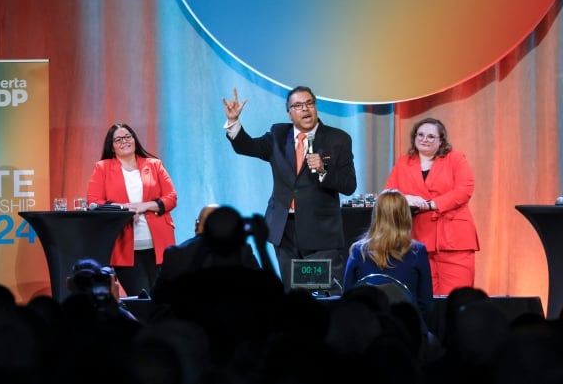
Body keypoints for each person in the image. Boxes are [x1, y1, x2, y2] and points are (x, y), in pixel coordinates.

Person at [222, 85, 357, 290]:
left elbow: (349, 185)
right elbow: (246, 146)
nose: (305, 109)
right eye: (298, 105)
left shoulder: (337, 139)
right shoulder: (278, 134)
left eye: (309, 103)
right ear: (289, 112)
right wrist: (233, 121)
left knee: (322, 293)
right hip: (284, 231)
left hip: (320, 234)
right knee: (292, 295)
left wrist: (323, 170)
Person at [384, 117, 479, 295]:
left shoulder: (456, 159)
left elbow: (464, 190)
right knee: (426, 299)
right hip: (419, 240)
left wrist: (432, 204)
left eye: (430, 136)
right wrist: (405, 198)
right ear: (414, 137)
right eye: (420, 135)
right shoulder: (404, 163)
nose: (424, 139)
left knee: (457, 298)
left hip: (454, 240)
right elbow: (388, 194)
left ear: (441, 140)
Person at [87, 122, 178, 296]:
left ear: (134, 140)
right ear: (112, 147)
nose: (124, 141)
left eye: (128, 137)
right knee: (141, 299)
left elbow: (171, 198)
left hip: (159, 246)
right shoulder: (102, 168)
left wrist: (145, 206)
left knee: (163, 299)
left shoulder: (154, 165)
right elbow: (93, 202)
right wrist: (124, 210)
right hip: (124, 248)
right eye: (118, 139)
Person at [342, 189, 433, 324]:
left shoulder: (358, 251)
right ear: (405, 216)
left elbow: (346, 299)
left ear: (376, 215)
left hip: (368, 332)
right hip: (408, 332)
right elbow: (426, 305)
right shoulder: (417, 251)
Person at [151, 204, 266, 303]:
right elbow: (264, 288)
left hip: (188, 324)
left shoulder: (174, 253)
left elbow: (157, 297)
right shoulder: (242, 250)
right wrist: (262, 249)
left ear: (197, 225)